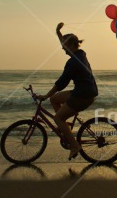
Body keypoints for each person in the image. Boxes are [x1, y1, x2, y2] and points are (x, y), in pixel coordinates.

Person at [37, 22, 98, 160]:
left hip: (83, 95)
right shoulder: (80, 53)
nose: (63, 49)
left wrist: (45, 96)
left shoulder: (73, 62)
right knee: (55, 99)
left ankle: (75, 145)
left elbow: (61, 83)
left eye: (64, 47)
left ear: (70, 46)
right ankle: (66, 130)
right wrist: (58, 32)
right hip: (84, 91)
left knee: (57, 118)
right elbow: (66, 42)